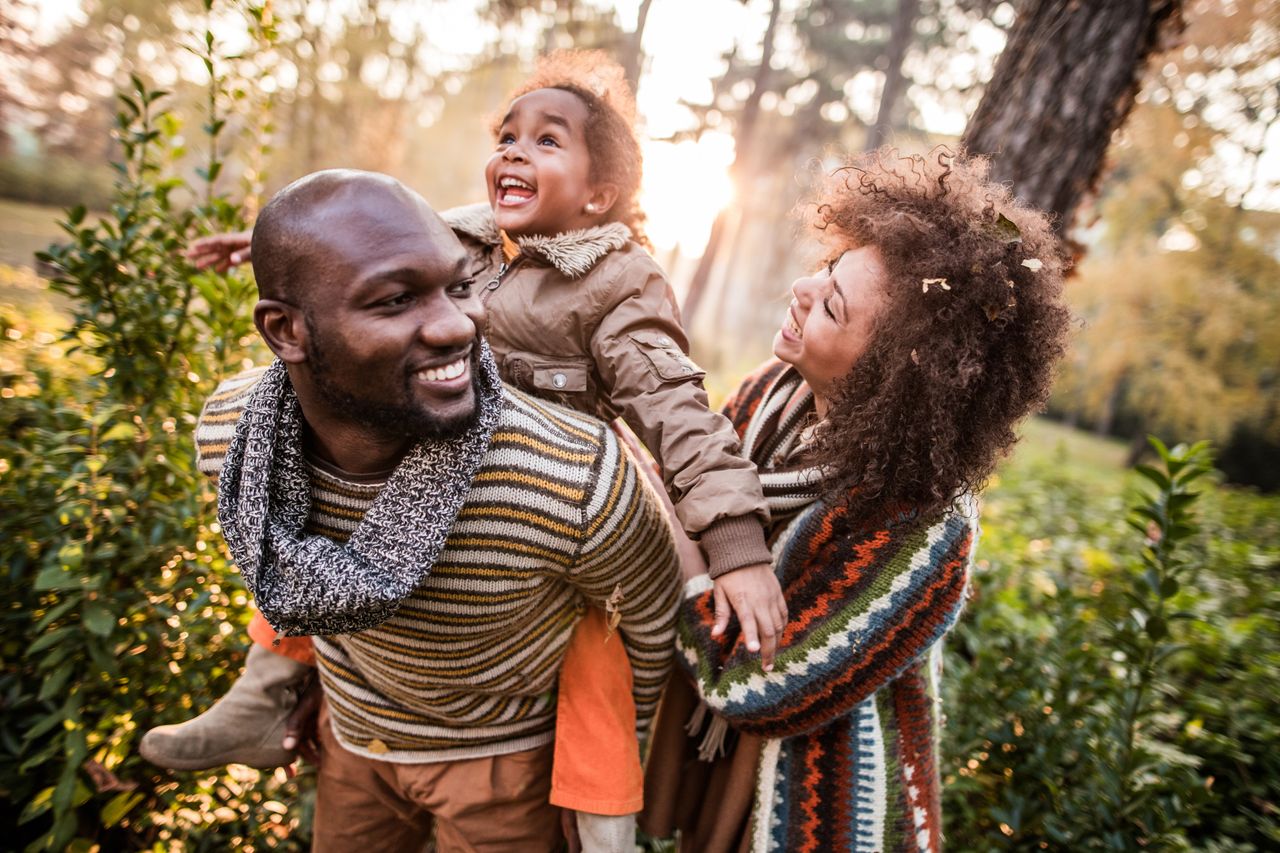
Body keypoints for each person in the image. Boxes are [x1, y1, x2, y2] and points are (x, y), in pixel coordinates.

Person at [144, 51, 780, 850]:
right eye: (507, 134)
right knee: (298, 509)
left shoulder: (618, 281)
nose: (514, 150)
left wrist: (735, 543)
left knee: (596, 655)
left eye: (548, 141)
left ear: (599, 195)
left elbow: (676, 408)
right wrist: (270, 246)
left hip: (545, 486)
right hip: (426, 447)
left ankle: (601, 814)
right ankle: (262, 687)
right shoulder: (467, 239)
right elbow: (353, 256)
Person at [174, 168, 681, 851]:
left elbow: (647, 632)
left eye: (459, 286)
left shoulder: (571, 476)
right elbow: (297, 573)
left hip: (506, 765)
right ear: (286, 329)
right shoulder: (233, 437)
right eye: (394, 300)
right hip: (353, 740)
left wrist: (594, 776)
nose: (457, 324)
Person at [639, 148, 1072, 852]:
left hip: (814, 787)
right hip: (712, 765)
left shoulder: (924, 527)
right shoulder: (769, 394)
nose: (802, 288)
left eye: (831, 304)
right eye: (827, 267)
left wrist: (695, 545)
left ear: (891, 377)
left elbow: (763, 688)